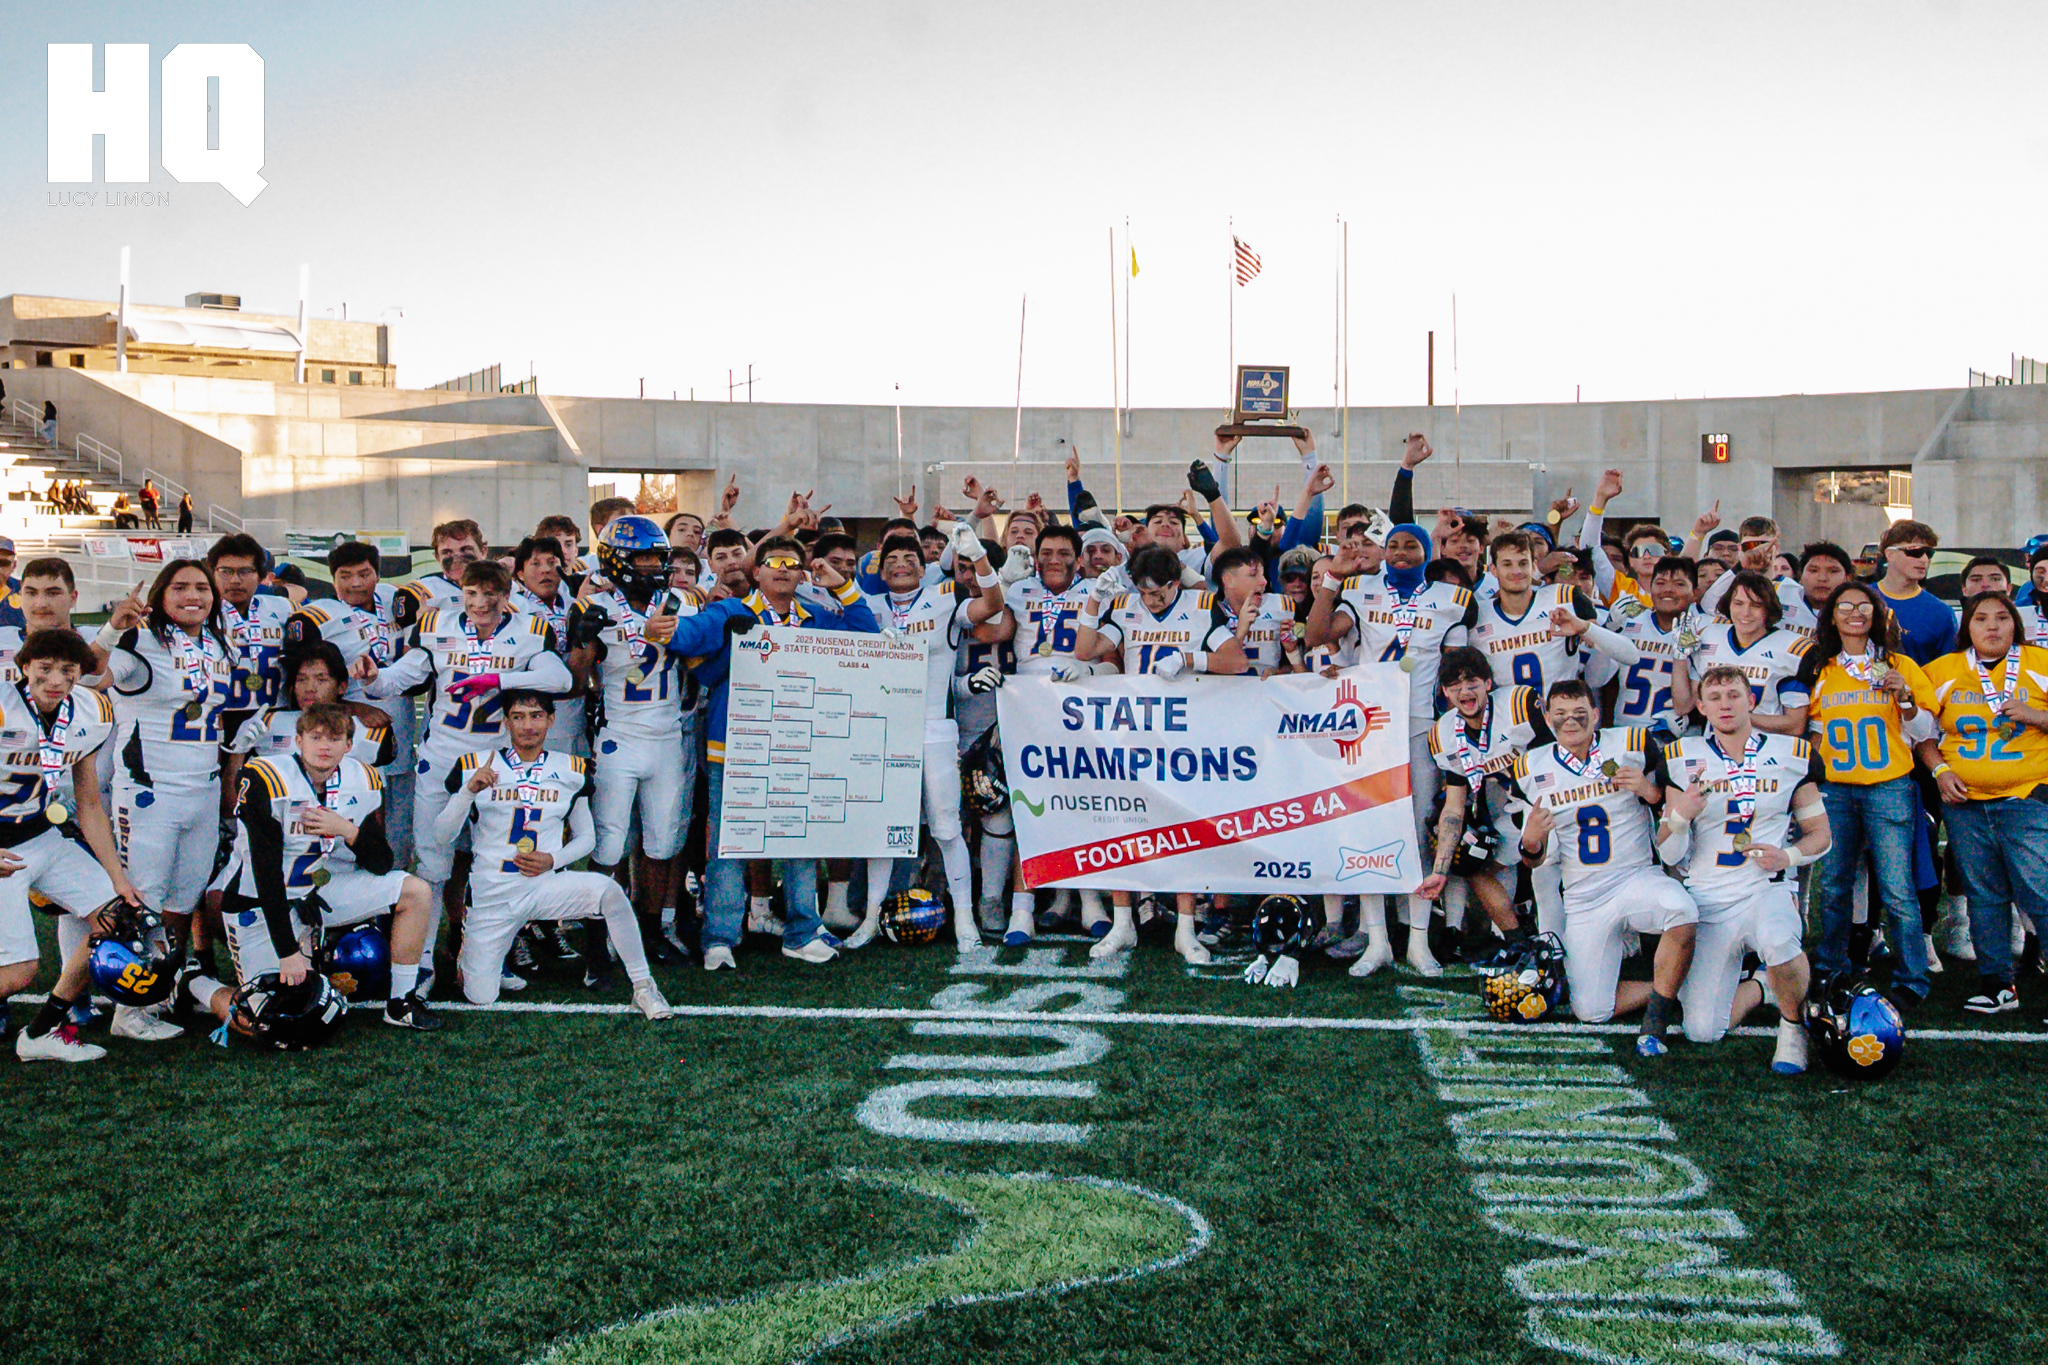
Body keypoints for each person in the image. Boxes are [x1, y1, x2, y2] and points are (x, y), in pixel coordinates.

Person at [649, 535, 879, 969]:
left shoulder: (815, 616)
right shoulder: (732, 611)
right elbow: (690, 636)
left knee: (799, 841)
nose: (783, 570)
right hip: (737, 747)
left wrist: (841, 586)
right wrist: (669, 627)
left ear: (802, 574)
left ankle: (802, 931)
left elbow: (867, 636)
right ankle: (720, 937)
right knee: (729, 844)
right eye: (774, 562)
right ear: (756, 572)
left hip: (799, 746)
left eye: (792, 564)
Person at [356, 558, 572, 992]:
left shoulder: (530, 629)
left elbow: (560, 679)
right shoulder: (436, 624)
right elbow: (400, 677)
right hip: (442, 759)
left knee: (494, 865)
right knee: (433, 863)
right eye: (472, 593)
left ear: (506, 596)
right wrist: (375, 678)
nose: (480, 602)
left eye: (490, 593)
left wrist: (496, 679)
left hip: (497, 764)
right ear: (461, 593)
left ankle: (484, 957)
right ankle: (421, 965)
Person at [188, 702, 441, 1032]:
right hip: (259, 903)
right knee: (264, 1023)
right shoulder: (266, 777)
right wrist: (287, 952)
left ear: (348, 745)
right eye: (316, 737)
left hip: (317, 891)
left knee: (416, 891)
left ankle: (401, 1003)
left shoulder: (360, 778)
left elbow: (382, 864)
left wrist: (347, 830)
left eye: (334, 738)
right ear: (299, 741)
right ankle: (194, 982)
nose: (325, 746)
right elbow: (266, 873)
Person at [1306, 521, 1477, 975]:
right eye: (1394, 545)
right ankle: (1376, 939)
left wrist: (1454, 733)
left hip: (1420, 724)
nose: (1401, 552)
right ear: (1383, 551)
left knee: (1420, 830)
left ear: (1426, 551)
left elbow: (1454, 670)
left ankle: (1418, 940)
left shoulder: (1452, 599)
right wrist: (1332, 578)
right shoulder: (1361, 588)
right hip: (1369, 725)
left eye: (1411, 545)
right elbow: (1316, 635)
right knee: (1369, 829)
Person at [435, 691, 673, 1018]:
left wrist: (553, 860)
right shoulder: (475, 765)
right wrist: (467, 792)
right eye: (518, 717)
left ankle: (644, 987)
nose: (527, 725)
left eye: (536, 716)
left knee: (609, 892)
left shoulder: (571, 769)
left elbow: (587, 838)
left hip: (544, 885)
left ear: (551, 720)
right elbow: (441, 836)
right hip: (493, 894)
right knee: (480, 996)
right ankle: (474, 955)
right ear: (506, 722)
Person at [1658, 665, 1831, 1073]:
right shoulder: (1682, 758)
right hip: (1708, 898)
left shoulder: (1791, 754)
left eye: (1734, 695)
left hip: (1765, 888)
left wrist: (1788, 857)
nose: (1725, 705)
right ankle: (1763, 986)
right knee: (1702, 1030)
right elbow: (1668, 853)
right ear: (1700, 706)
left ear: (1751, 701)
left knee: (1779, 940)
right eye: (1715, 698)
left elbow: (1821, 834)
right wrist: (1680, 817)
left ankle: (1792, 1029)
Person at [1508, 681, 1696, 1055]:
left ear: (1596, 714)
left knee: (1682, 910)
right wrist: (1530, 841)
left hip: (1635, 877)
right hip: (1583, 897)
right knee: (1591, 1011)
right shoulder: (1530, 767)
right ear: (1547, 718)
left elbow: (1671, 808)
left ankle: (1656, 1018)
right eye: (1560, 714)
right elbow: (1534, 860)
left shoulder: (1632, 744)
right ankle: (1677, 990)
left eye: (1579, 713)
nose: (1570, 721)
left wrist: (1648, 790)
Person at [93, 560, 236, 1038]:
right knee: (144, 898)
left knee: (181, 899)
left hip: (203, 787)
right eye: (180, 587)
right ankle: (126, 1011)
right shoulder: (139, 640)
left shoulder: (218, 643)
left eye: (201, 587)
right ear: (160, 594)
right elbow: (91, 676)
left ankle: (158, 988)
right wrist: (112, 629)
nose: (192, 595)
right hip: (150, 791)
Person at [844, 525, 1005, 949]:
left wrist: (978, 556)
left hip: (934, 728)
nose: (901, 565)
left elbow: (993, 604)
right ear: (880, 570)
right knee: (884, 830)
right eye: (892, 560)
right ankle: (871, 919)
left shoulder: (943, 598)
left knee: (946, 827)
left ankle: (965, 919)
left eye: (910, 559)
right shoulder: (866, 605)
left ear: (924, 568)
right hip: (883, 730)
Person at [2, 630, 146, 1062]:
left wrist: (118, 878)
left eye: (67, 670)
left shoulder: (92, 710)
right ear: (24, 667)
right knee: (18, 973)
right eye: (44, 668)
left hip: (40, 834)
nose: (56, 680)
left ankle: (40, 1032)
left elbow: (89, 804)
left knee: (117, 919)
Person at [1798, 581, 1938, 1008]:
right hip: (1836, 788)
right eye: (1845, 606)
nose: (1855, 614)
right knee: (1835, 884)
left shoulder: (1900, 664)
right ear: (1831, 616)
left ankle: (1912, 975)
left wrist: (1906, 699)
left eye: (1863, 606)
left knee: (1897, 887)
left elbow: (1924, 731)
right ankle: (1832, 964)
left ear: (1877, 614)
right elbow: (1814, 732)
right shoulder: (1821, 668)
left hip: (1888, 785)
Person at [570, 516, 703, 963]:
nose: (653, 567)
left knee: (662, 843)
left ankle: (650, 931)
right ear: (618, 561)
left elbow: (700, 656)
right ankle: (596, 939)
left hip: (668, 736)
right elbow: (576, 682)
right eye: (642, 558)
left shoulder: (681, 601)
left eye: (657, 558)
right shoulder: (594, 606)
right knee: (608, 843)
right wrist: (581, 643)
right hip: (619, 737)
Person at [1917, 592, 2048, 1014]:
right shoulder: (1943, 670)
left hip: (2028, 794)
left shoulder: (2041, 663)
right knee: (1984, 895)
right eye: (1981, 618)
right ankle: (1998, 985)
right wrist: (1941, 771)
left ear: (2015, 624)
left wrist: (2037, 716)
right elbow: (1920, 734)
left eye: (2001, 617)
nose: (1992, 626)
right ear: (1967, 626)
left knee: (2041, 891)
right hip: (1965, 802)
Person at [1417, 648, 1549, 974]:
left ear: (1488, 683)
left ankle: (1548, 934)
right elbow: (1453, 807)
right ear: (1445, 692)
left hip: (1552, 803)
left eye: (1472, 682)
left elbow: (1557, 755)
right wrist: (1440, 870)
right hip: (1513, 809)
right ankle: (1517, 942)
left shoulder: (1518, 704)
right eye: (1455, 685)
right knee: (1467, 858)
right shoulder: (1444, 733)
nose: (1465, 691)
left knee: (1550, 872)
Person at [1673, 570, 1812, 737]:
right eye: (1738, 603)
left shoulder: (1790, 649)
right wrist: (1679, 658)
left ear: (1768, 609)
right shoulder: (1709, 636)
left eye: (1756, 605)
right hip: (1715, 747)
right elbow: (1683, 706)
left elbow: (1795, 725)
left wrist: (1740, 717)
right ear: (1728, 605)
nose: (1745, 612)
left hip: (1768, 748)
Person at [1591, 555, 1701, 741]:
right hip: (1623, 735)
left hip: (1676, 740)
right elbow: (1595, 679)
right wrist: (1609, 630)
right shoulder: (1628, 622)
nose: (1668, 590)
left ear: (1695, 593)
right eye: (1661, 583)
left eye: (1679, 584)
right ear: (1650, 588)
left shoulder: (1703, 630)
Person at [510, 536, 588, 758]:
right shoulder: (514, 608)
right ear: (520, 573)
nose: (545, 570)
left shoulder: (574, 602)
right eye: (535, 564)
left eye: (552, 562)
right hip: (534, 718)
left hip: (576, 716)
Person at [1872, 520, 1955, 666]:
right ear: (1890, 554)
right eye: (1915, 552)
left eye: (1929, 553)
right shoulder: (1861, 598)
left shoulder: (1940, 612)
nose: (1924, 560)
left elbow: (1947, 669)